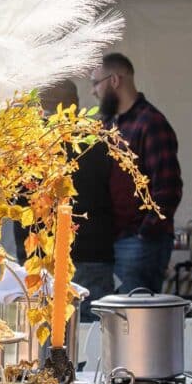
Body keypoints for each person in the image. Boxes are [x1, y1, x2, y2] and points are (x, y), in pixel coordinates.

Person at [92, 52, 183, 294]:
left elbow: (168, 187)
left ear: (114, 81)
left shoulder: (150, 123)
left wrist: (146, 232)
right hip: (115, 240)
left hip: (139, 241)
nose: (93, 92)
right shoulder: (110, 125)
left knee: (135, 318)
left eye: (95, 83)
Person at [39, 80, 115, 319]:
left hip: (43, 255)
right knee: (95, 337)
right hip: (94, 250)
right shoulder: (97, 139)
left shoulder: (34, 142)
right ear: (75, 104)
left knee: (46, 342)